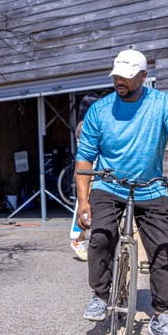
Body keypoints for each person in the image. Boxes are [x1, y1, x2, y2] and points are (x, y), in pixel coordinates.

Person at [75, 49, 168, 335]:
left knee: (162, 251)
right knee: (101, 239)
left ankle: (160, 315)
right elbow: (84, 161)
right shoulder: (100, 110)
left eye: (127, 77)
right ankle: (100, 294)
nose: (120, 81)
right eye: (117, 76)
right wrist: (83, 201)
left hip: (151, 186)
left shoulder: (162, 103)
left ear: (144, 76)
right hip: (109, 185)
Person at [68, 92, 101, 260]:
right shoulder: (84, 126)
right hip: (90, 171)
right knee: (85, 206)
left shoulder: (85, 124)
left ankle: (80, 239)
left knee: (90, 206)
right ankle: (78, 239)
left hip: (94, 170)